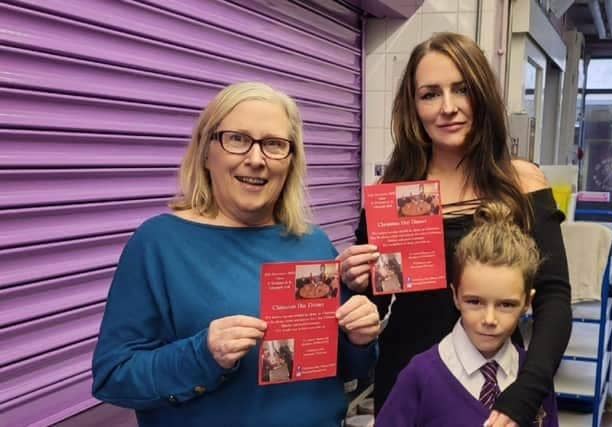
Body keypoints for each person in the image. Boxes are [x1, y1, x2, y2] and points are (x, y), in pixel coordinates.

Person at [92, 82, 380, 427]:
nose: (256, 160)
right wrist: (203, 355)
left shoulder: (313, 243)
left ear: (290, 161)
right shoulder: (158, 244)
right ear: (206, 151)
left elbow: (351, 369)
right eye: (238, 139)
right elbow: (114, 375)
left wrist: (360, 339)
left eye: (274, 145)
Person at [337, 32, 571, 427]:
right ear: (413, 106)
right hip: (410, 385)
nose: (447, 108)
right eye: (430, 94)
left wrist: (527, 392)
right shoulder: (393, 193)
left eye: (461, 89)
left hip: (499, 384)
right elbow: (374, 309)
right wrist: (355, 285)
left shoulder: (521, 183)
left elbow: (554, 298)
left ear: (481, 94)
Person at [376, 202, 559, 426]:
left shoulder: (534, 379)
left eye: (506, 305)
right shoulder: (420, 376)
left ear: (527, 303)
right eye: (474, 302)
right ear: (455, 296)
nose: (489, 320)